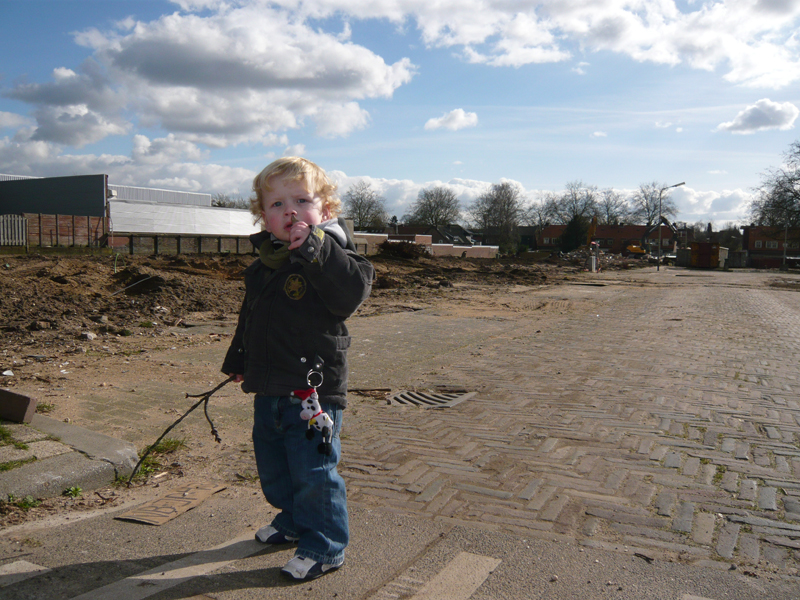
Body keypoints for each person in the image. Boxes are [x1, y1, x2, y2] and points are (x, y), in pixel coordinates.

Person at [222, 156, 373, 581]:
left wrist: (315, 249)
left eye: (302, 200)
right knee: (275, 465)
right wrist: (239, 360)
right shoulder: (263, 267)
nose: (289, 211)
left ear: (326, 212)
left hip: (314, 389)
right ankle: (291, 519)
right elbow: (250, 316)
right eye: (276, 204)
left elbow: (349, 296)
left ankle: (324, 545)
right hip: (270, 385)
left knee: (313, 472)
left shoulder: (335, 256)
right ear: (264, 218)